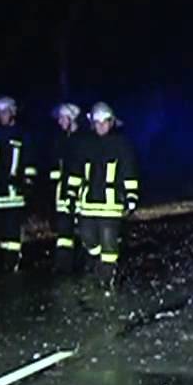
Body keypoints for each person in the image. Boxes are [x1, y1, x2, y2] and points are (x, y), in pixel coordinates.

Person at [69, 102, 139, 287]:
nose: (101, 126)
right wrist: (71, 195)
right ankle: (99, 263)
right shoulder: (85, 144)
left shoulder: (121, 144)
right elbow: (76, 172)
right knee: (87, 238)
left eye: (105, 122)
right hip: (87, 203)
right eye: (97, 122)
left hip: (111, 204)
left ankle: (107, 280)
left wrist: (131, 197)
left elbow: (128, 172)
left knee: (109, 244)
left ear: (111, 122)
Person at [0, 96, 36, 271]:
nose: (1, 116)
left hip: (15, 189)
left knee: (13, 226)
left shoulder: (23, 135)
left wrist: (27, 182)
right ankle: (5, 258)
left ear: (13, 112)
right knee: (1, 226)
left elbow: (29, 160)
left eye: (5, 112)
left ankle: (12, 260)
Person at [48, 103, 85, 272]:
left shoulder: (82, 140)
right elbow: (56, 169)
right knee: (63, 232)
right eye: (59, 119)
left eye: (63, 118)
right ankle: (63, 265)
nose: (60, 122)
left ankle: (83, 264)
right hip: (62, 192)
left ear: (72, 119)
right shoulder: (60, 140)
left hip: (80, 192)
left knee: (82, 229)